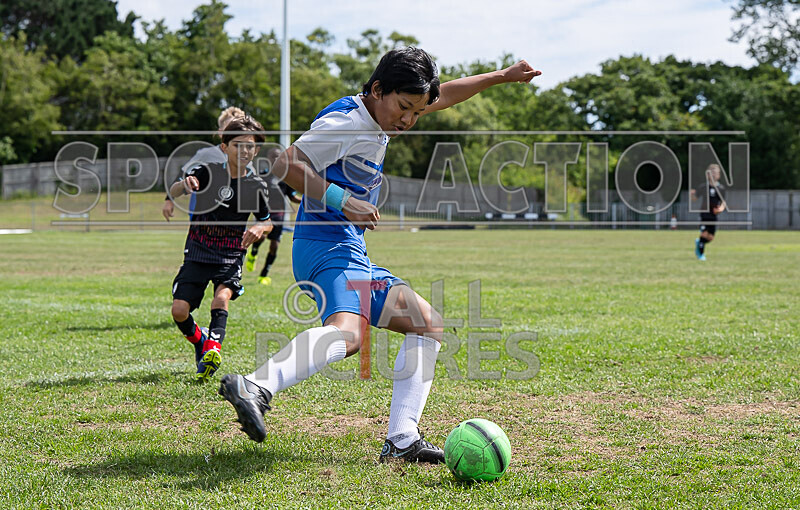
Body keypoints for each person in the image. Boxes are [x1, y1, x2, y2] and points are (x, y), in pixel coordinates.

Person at [218, 48, 540, 463]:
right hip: (326, 243)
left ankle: (402, 439)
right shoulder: (348, 121)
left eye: (417, 112)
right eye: (404, 108)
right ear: (377, 89)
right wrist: (344, 200)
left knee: (426, 324)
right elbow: (285, 164)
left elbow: (446, 94)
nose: (408, 120)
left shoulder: (382, 112)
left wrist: (502, 76)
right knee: (350, 335)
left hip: (348, 247)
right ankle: (256, 385)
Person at [169, 116, 272, 382]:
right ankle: (200, 340)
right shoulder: (207, 172)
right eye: (238, 145)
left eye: (250, 146)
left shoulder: (255, 186)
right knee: (179, 310)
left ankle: (213, 348)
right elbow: (176, 189)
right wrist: (182, 186)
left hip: (230, 252)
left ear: (256, 151)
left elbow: (267, 220)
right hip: (198, 249)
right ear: (224, 147)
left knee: (222, 297)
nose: (244, 151)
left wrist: (259, 228)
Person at [162, 106, 248, 221]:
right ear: (220, 132)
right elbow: (184, 173)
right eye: (229, 128)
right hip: (202, 214)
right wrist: (169, 200)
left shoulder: (246, 159)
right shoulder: (207, 154)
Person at [245, 148, 302, 285]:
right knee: (262, 237)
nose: (276, 159)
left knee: (274, 246)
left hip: (279, 216)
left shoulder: (286, 178)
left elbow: (292, 197)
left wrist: (308, 200)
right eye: (273, 156)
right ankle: (254, 252)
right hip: (265, 214)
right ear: (268, 158)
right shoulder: (262, 176)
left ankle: (263, 275)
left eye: (278, 156)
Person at [690, 163, 726, 261]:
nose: (714, 175)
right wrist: (691, 195)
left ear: (719, 175)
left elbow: (723, 202)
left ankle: (699, 242)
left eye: (716, 173)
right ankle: (701, 255)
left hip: (713, 216)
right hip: (704, 215)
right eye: (712, 173)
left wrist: (720, 209)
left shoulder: (721, 188)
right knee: (704, 234)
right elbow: (694, 198)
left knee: (710, 238)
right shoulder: (703, 187)